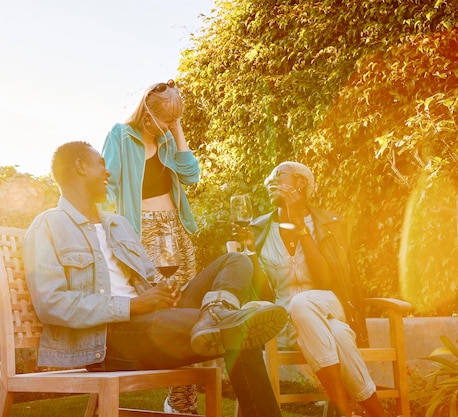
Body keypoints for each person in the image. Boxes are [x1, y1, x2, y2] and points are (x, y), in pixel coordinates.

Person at [23, 141, 288, 417]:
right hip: (107, 338)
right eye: (101, 164)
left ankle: (217, 311)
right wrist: (133, 306)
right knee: (241, 327)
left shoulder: (118, 224)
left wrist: (165, 291)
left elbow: (148, 280)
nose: (108, 173)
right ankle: (221, 316)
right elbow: (51, 303)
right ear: (80, 167)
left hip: (152, 317)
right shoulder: (48, 226)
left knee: (237, 261)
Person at [235, 161, 388, 417]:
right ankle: (378, 415)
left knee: (303, 303)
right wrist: (249, 250)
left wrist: (299, 224)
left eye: (278, 176)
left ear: (301, 184)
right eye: (269, 178)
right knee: (338, 335)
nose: (269, 181)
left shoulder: (329, 224)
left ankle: (342, 410)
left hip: (328, 305)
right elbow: (262, 293)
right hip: (286, 324)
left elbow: (327, 281)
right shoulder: (260, 229)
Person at [101, 79, 201, 412]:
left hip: (177, 231)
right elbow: (109, 185)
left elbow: (190, 176)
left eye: (175, 121)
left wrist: (177, 127)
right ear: (146, 114)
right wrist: (111, 230)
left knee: (187, 309)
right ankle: (177, 393)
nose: (170, 127)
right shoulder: (120, 136)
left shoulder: (169, 137)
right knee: (164, 311)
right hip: (142, 232)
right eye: (166, 120)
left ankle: (182, 398)